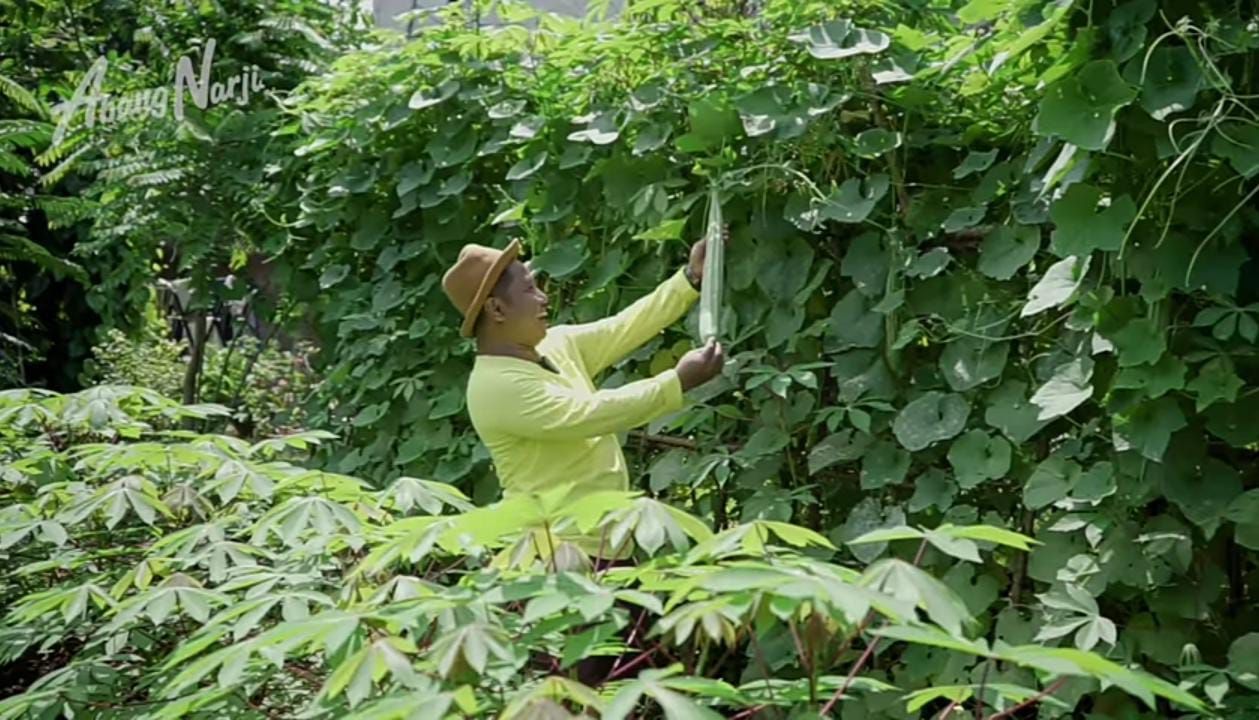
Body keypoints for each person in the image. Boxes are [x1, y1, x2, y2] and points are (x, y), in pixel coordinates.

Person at [440, 234, 726, 562]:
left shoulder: (552, 345)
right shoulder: (494, 387)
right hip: (554, 558)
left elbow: (623, 327)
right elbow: (591, 413)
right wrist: (676, 382)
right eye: (529, 289)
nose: (543, 298)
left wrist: (689, 279)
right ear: (497, 309)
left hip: (607, 544)